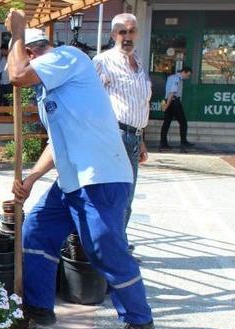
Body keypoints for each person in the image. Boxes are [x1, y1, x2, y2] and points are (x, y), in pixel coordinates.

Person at [5, 11, 155, 329]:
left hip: (101, 174)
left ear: (33, 52)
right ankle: (39, 308)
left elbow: (17, 75)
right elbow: (56, 145)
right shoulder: (49, 94)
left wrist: (15, 34)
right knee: (37, 230)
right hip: (73, 180)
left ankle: (140, 320)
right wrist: (30, 179)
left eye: (25, 52)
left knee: (104, 246)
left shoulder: (66, 57)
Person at [93, 13, 152, 245]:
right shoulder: (103, 61)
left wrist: (142, 138)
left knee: (127, 197)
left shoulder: (138, 61)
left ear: (138, 33)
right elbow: (92, 102)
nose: (127, 36)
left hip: (133, 137)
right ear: (113, 34)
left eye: (131, 31)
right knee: (113, 196)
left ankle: (118, 244)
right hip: (114, 136)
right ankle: (110, 247)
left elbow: (138, 104)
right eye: (122, 31)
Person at [160, 66, 194, 152]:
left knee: (166, 123)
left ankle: (163, 143)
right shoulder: (177, 79)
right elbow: (172, 92)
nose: (187, 77)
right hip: (174, 102)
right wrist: (168, 104)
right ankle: (183, 142)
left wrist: (166, 103)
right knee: (183, 122)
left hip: (169, 100)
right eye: (188, 75)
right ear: (184, 72)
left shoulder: (171, 77)